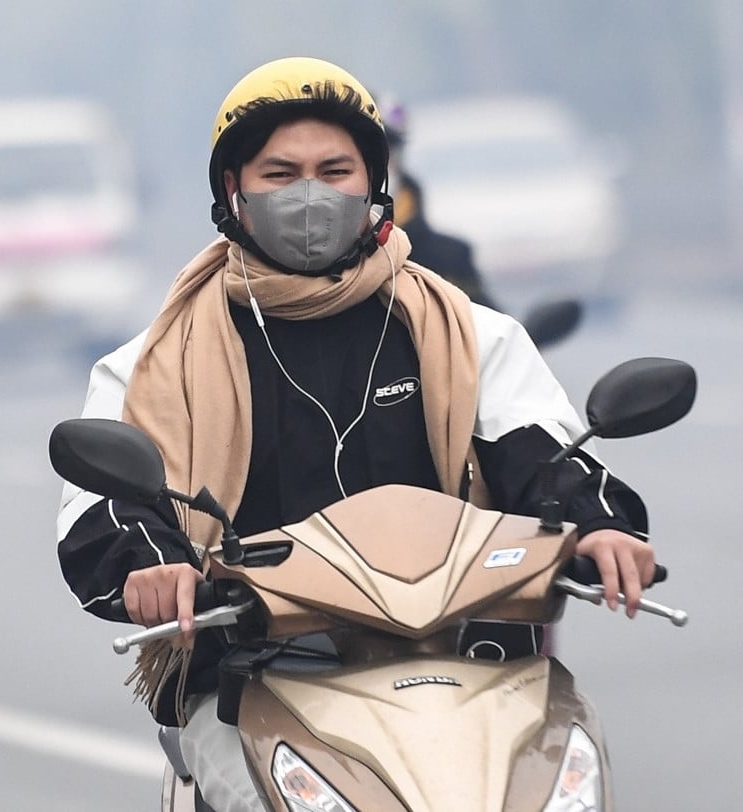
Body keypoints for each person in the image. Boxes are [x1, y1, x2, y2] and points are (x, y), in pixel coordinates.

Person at [56, 56, 652, 812]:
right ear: (232, 190)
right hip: (256, 685)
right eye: (281, 173)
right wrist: (154, 566)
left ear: (373, 185)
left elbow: (546, 456)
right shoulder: (152, 364)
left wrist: (601, 529)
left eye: (335, 169)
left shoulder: (466, 334)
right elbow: (101, 508)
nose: (311, 192)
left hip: (474, 670)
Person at [379, 93, 501, 310]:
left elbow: (487, 335)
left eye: (379, 154)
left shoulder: (450, 260)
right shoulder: (303, 267)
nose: (371, 171)